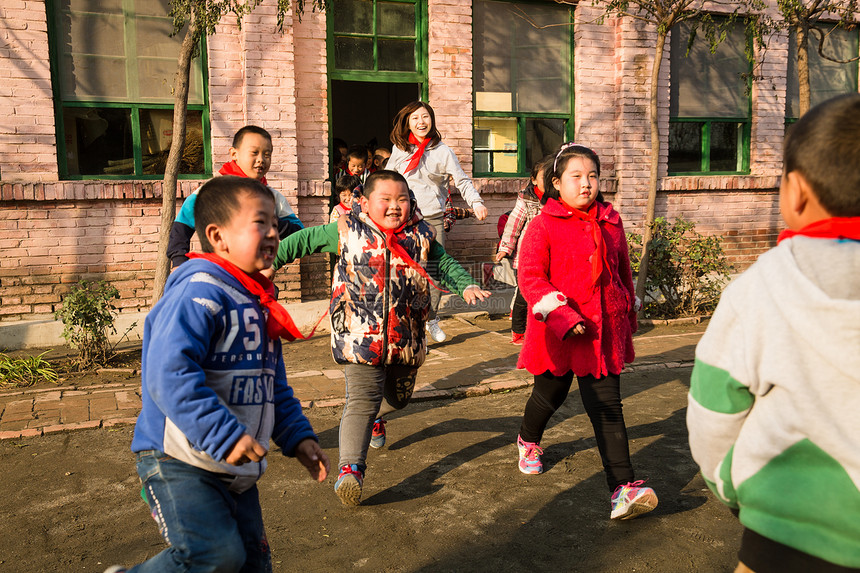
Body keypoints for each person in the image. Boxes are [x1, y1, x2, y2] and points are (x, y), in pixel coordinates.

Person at [106, 176, 329, 573]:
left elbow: (272, 386)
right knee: (214, 556)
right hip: (179, 459)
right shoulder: (197, 293)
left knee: (253, 562)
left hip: (233, 466)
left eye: (276, 224)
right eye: (261, 223)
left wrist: (298, 437)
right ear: (217, 235)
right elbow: (168, 373)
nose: (275, 233)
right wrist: (224, 434)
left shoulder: (256, 302)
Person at [687, 94, 860, 573]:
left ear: (795, 192)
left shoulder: (761, 287)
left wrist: (734, 488)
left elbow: (713, 410)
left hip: (784, 533)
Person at [266, 170, 491, 507]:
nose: (393, 206)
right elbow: (302, 241)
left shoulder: (421, 235)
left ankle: (379, 416)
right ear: (365, 202)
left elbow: (444, 265)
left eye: (401, 199)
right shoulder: (347, 230)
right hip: (358, 335)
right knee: (361, 399)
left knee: (398, 399)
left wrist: (466, 284)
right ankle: (350, 471)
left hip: (406, 338)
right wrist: (268, 264)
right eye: (384, 199)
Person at [514, 143, 657, 521]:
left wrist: (628, 314)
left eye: (592, 176)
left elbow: (623, 271)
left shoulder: (611, 221)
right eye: (576, 177)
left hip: (601, 333)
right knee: (549, 396)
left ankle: (623, 488)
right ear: (556, 183)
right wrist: (560, 314)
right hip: (560, 334)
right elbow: (529, 278)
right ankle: (528, 441)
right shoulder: (542, 224)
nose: (586, 184)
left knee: (607, 407)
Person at [388, 101, 489, 344]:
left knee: (433, 272)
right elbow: (387, 179)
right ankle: (405, 324)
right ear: (407, 122)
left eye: (425, 117)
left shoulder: (442, 151)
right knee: (403, 273)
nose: (421, 122)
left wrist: (476, 203)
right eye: (415, 118)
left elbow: (462, 180)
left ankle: (430, 318)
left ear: (432, 121)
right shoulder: (400, 149)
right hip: (402, 219)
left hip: (431, 218)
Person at [166, 125, 304, 269]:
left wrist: (269, 222)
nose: (261, 159)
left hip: (258, 276)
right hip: (220, 272)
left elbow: (299, 235)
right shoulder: (213, 192)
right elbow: (182, 225)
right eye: (254, 152)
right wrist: (179, 262)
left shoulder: (273, 198)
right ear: (234, 154)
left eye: (267, 154)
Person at [496, 155, 551, 344]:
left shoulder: (559, 199)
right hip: (527, 256)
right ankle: (518, 330)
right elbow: (514, 224)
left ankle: (545, 329)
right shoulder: (526, 198)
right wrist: (505, 248)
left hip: (552, 257)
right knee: (524, 295)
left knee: (548, 293)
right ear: (534, 179)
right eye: (545, 177)